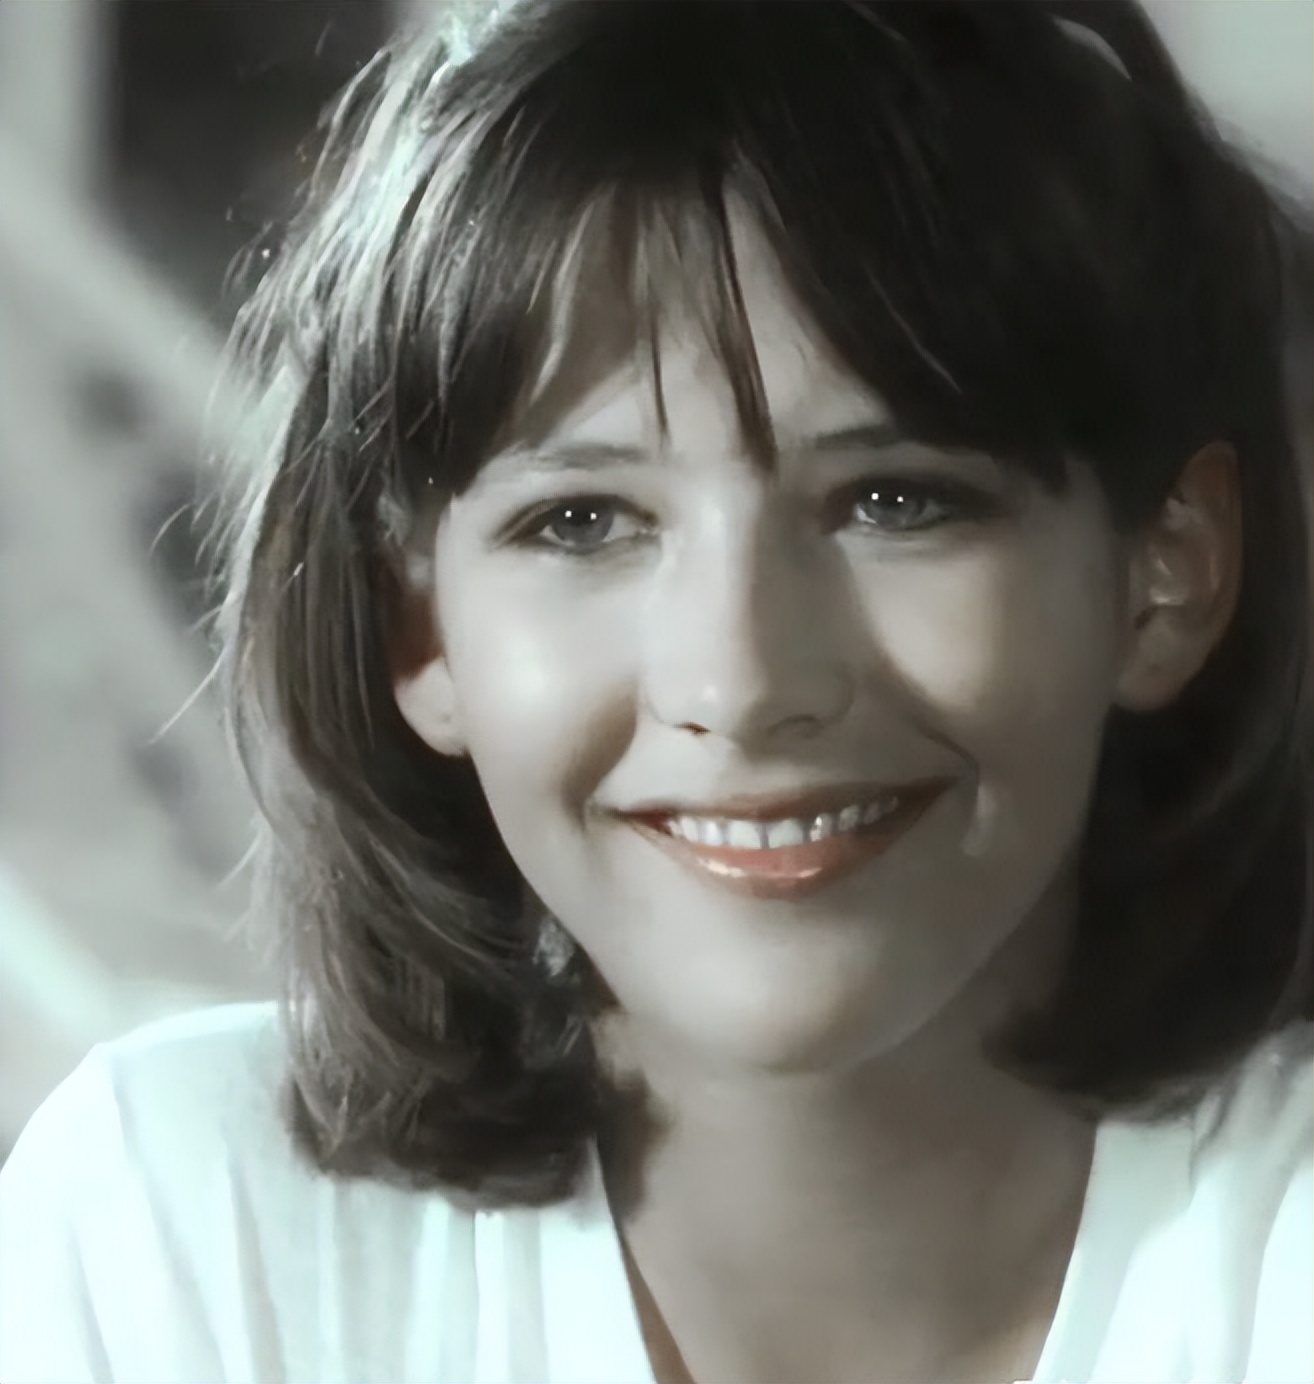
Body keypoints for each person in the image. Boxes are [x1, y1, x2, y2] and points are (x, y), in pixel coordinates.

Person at [2, 2, 1310, 1381]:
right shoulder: (184, 1230)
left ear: (1167, 578)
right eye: (583, 523)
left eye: (895, 502)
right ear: (417, 628)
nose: (740, 683)